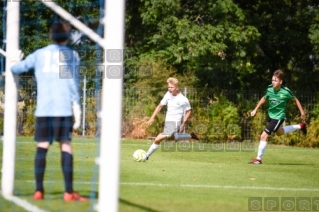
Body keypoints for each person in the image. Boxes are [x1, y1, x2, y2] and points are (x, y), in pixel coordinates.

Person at [11, 21, 88, 201]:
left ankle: (39, 191)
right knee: (66, 146)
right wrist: (76, 105)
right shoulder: (72, 55)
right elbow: (72, 83)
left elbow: (17, 69)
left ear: (50, 35)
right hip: (62, 108)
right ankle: (68, 192)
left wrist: (14, 61)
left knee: (42, 146)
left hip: (44, 109)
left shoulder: (39, 54)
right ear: (68, 37)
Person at [249, 69, 307, 164]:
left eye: (275, 80)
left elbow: (295, 100)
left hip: (278, 117)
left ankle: (258, 159)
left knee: (263, 136)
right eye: (272, 80)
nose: (273, 82)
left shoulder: (285, 91)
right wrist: (255, 109)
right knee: (280, 132)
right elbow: (264, 98)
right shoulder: (269, 89)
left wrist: (302, 112)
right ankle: (301, 126)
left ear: (280, 81)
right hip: (271, 116)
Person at [144, 77, 199, 160]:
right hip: (168, 121)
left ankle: (146, 156)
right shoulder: (168, 94)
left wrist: (183, 123)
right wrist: (152, 117)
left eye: (171, 87)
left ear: (177, 87)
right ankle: (190, 135)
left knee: (158, 139)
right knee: (171, 138)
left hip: (175, 122)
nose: (169, 89)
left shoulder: (183, 99)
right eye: (168, 87)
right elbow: (160, 106)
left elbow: (189, 111)